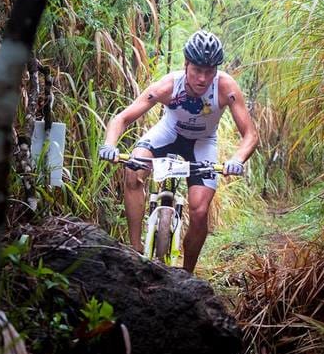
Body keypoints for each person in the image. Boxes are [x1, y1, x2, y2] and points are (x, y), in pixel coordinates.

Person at [98, 30, 258, 273]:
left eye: (209, 71)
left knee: (200, 209)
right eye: (197, 70)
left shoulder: (227, 88)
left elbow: (250, 134)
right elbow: (122, 118)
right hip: (168, 133)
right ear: (186, 65)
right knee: (133, 171)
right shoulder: (168, 86)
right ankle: (134, 248)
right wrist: (110, 145)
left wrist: (237, 159)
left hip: (203, 142)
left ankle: (188, 273)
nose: (203, 79)